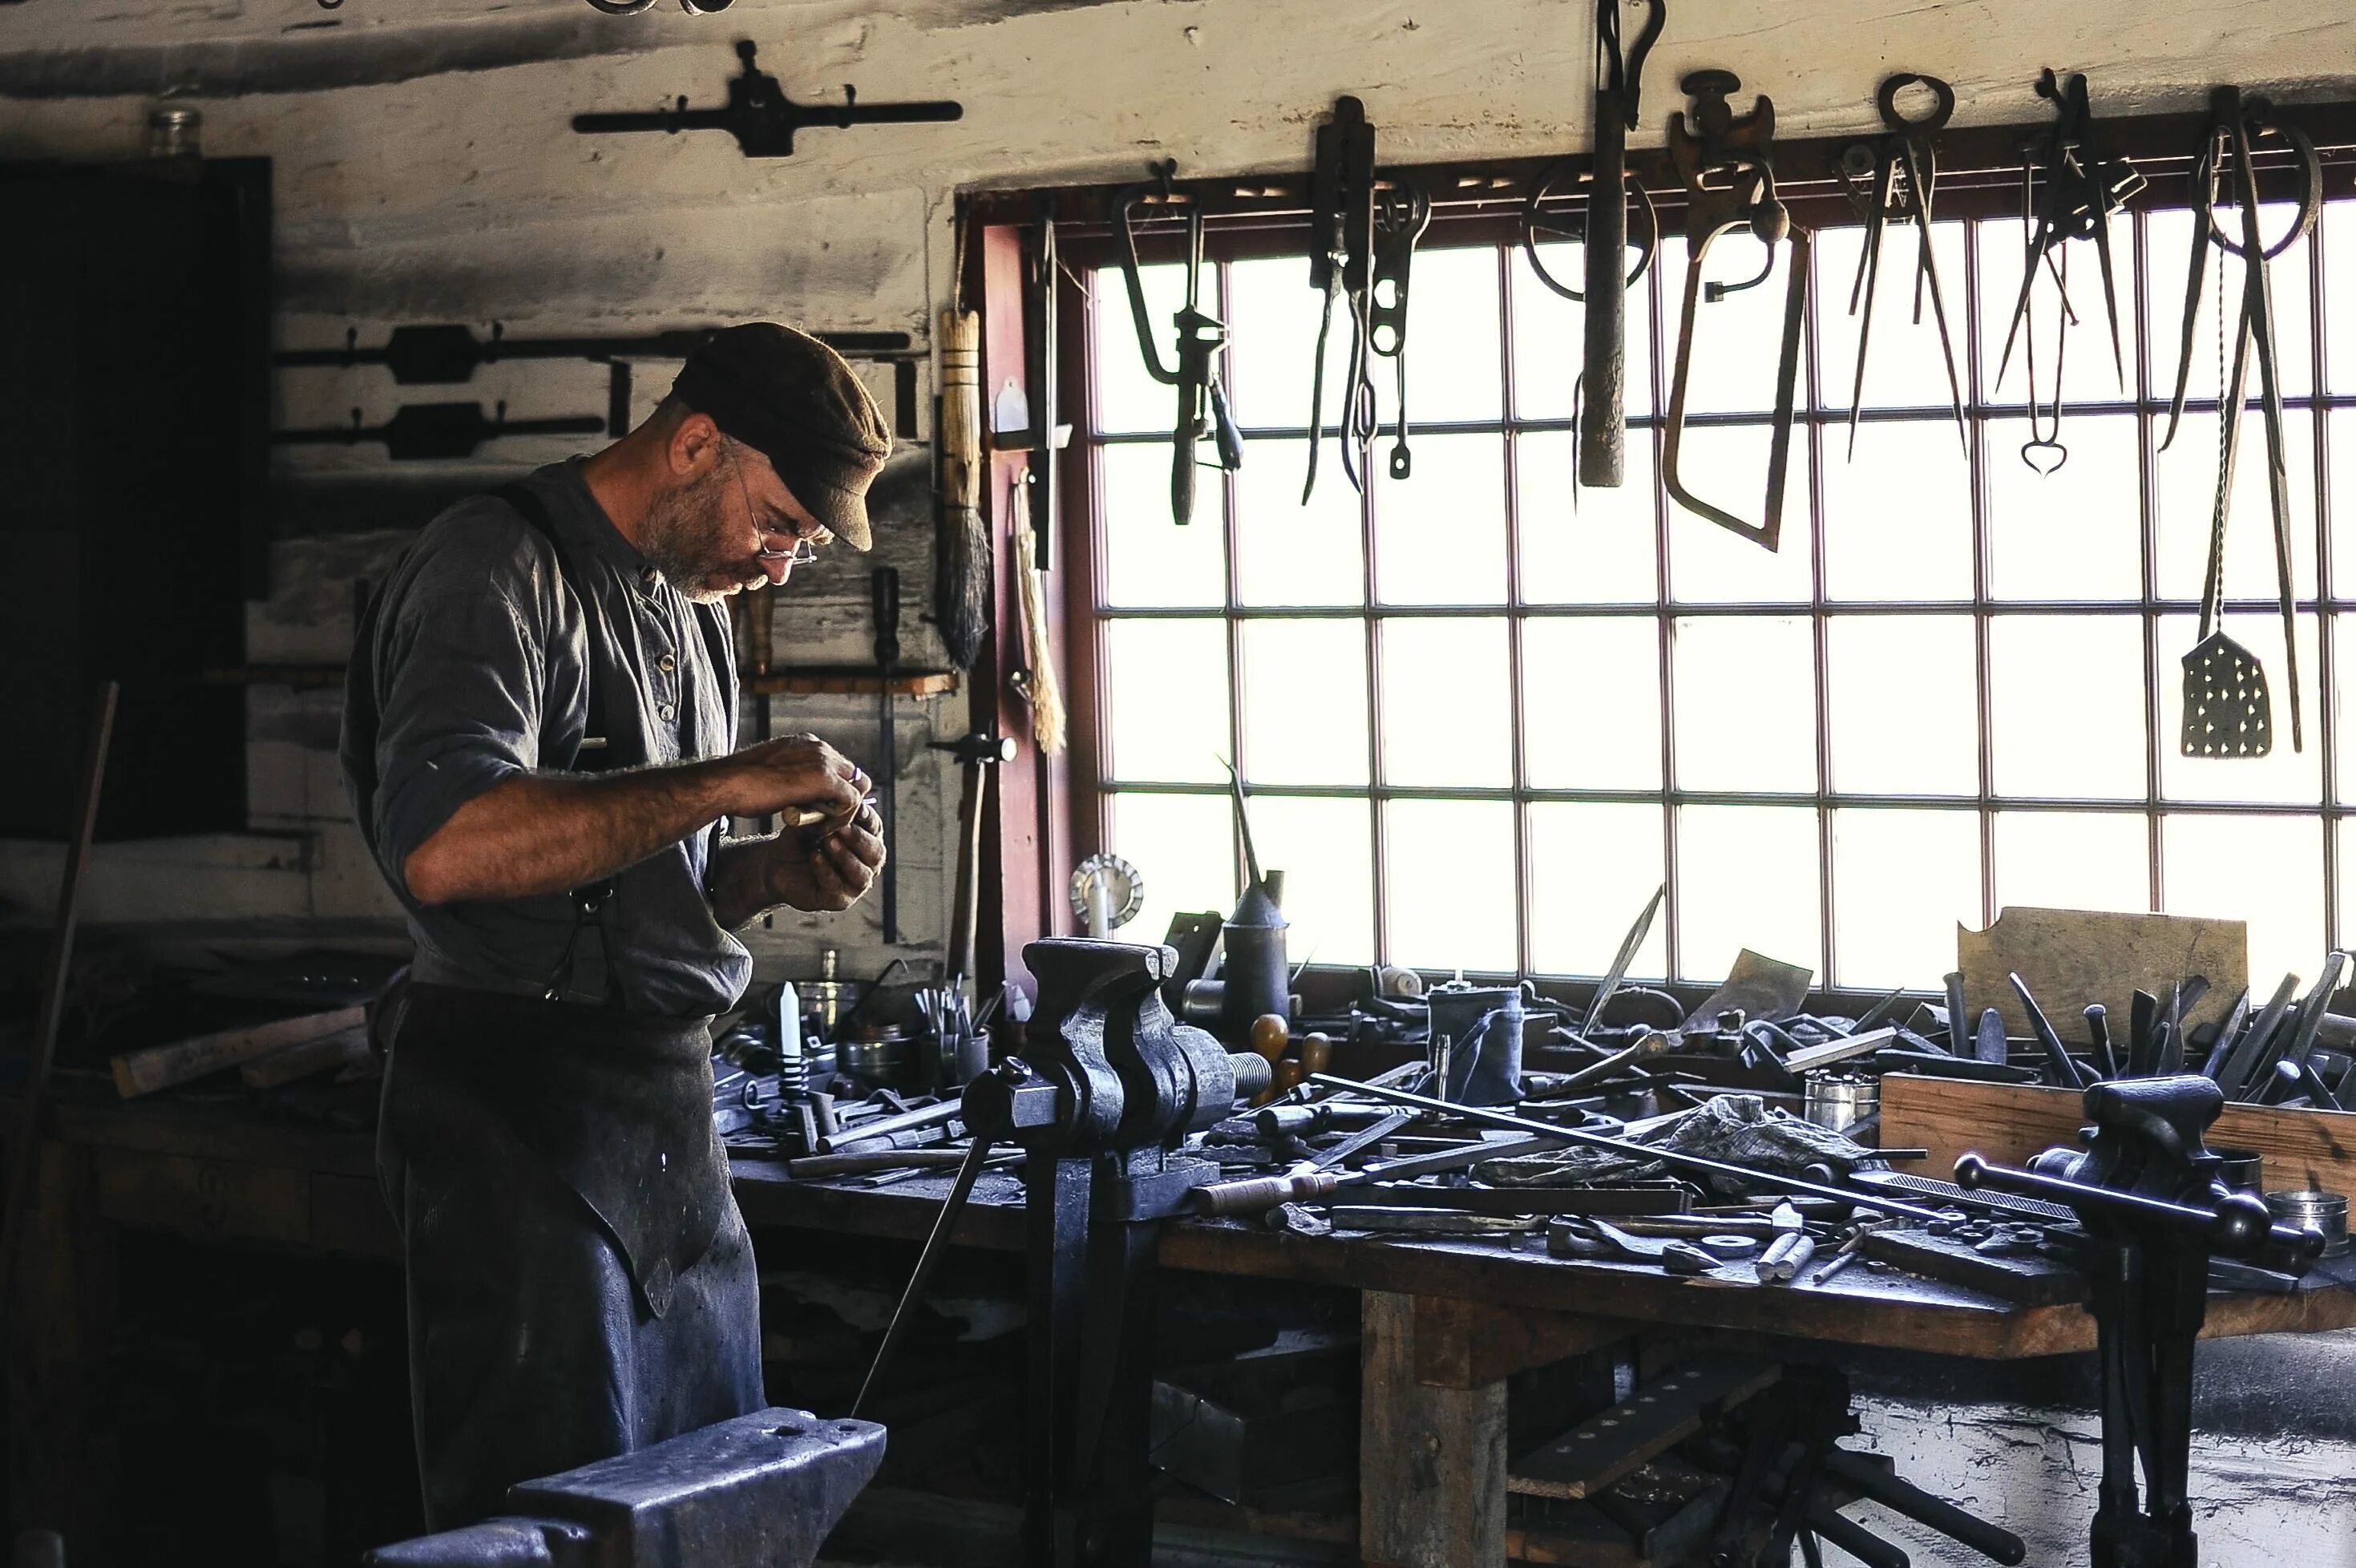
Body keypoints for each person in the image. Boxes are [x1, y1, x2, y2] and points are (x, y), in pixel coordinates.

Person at [337, 323, 890, 1528]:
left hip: (662, 1125)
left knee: (706, 1510)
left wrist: (764, 874)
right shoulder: (497, 567)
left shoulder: (687, 607)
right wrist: (727, 780)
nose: (783, 567)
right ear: (697, 445)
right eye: (782, 525)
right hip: (516, 1117)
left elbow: (628, 883)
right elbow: (449, 847)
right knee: (557, 1524)